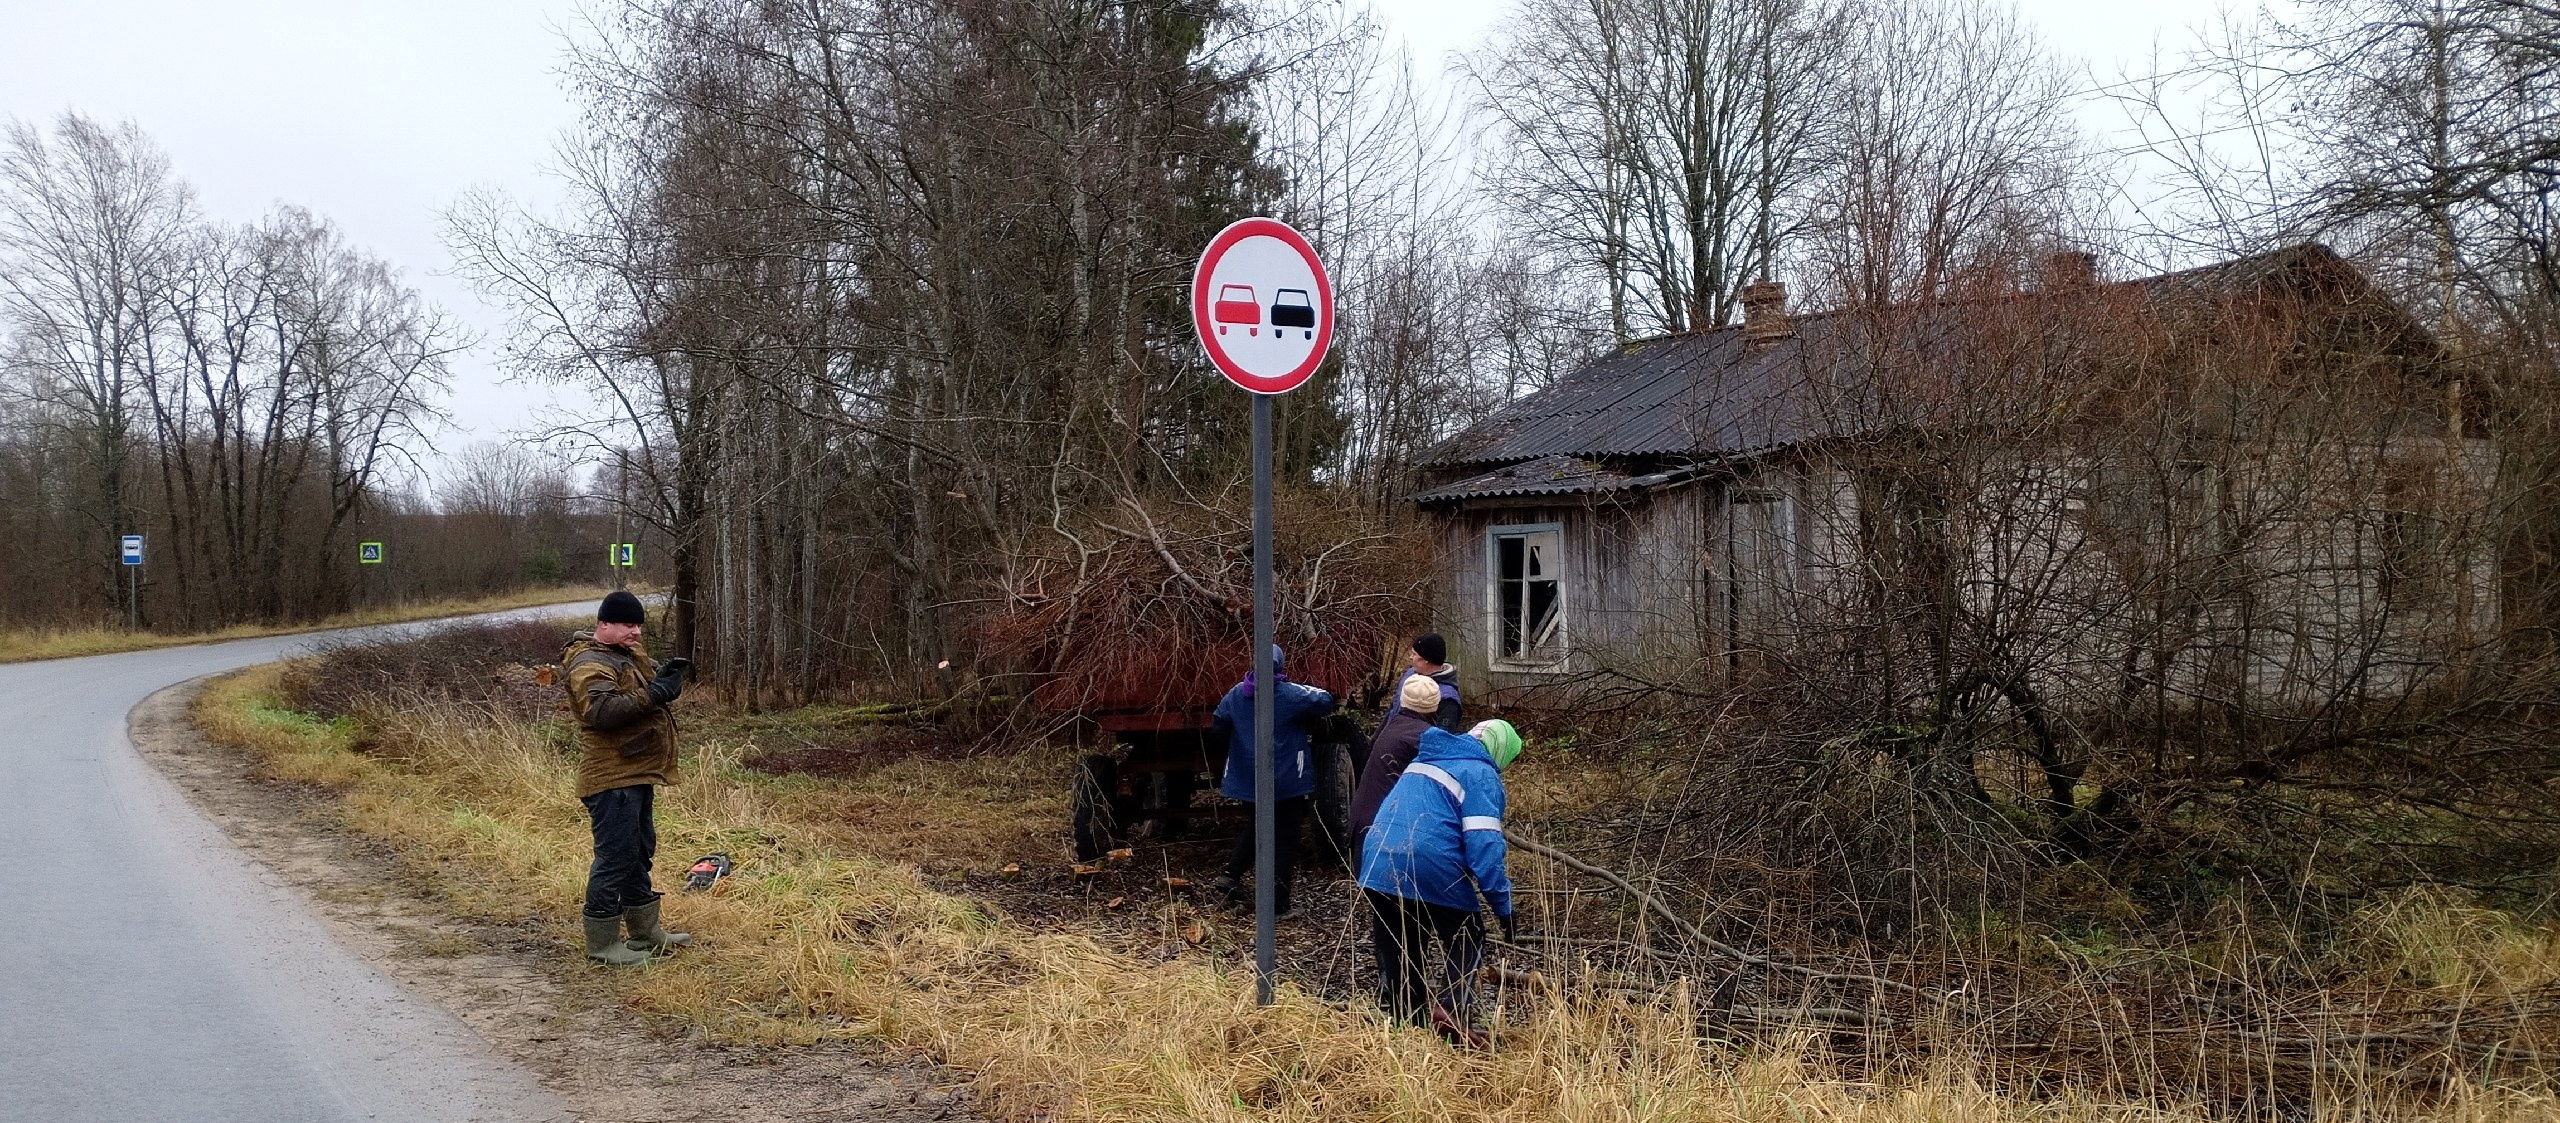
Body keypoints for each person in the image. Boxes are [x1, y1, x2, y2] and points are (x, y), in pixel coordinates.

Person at [1358, 718, 1522, 1046]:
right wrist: (1504, 909)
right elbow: (1485, 846)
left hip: (1377, 859)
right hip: (1428, 861)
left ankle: (1411, 1031)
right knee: (1468, 935)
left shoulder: (1424, 760)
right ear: (1501, 751)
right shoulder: (1480, 772)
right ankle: (1450, 1009)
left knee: (1404, 946)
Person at [560, 590, 695, 966]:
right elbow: (601, 712)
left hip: (634, 771)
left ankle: (643, 932)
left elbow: (644, 691)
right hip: (610, 776)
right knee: (616, 858)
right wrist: (654, 694)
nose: (635, 632)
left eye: (637, 625)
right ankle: (602, 945)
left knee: (638, 854)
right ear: (603, 624)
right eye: (626, 624)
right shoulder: (589, 662)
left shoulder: (623, 656)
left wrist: (666, 679)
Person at [1206, 644, 1335, 917]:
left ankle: (1231, 875)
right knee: (1286, 840)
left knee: (1257, 827)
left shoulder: (1236, 694)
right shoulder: (1290, 695)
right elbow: (1325, 700)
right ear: (1280, 666)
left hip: (1249, 780)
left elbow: (1218, 727)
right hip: (1287, 780)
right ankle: (1278, 904)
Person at [1349, 673, 1443, 852]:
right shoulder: (1423, 737)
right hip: (1382, 827)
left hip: (1363, 817)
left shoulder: (1394, 725)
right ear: (1435, 705)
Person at [1384, 632, 1462, 733]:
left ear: (1426, 660)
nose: (1410, 657)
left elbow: (1442, 739)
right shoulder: (1410, 675)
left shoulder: (1447, 699)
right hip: (1394, 740)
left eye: (1414, 654)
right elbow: (1392, 711)